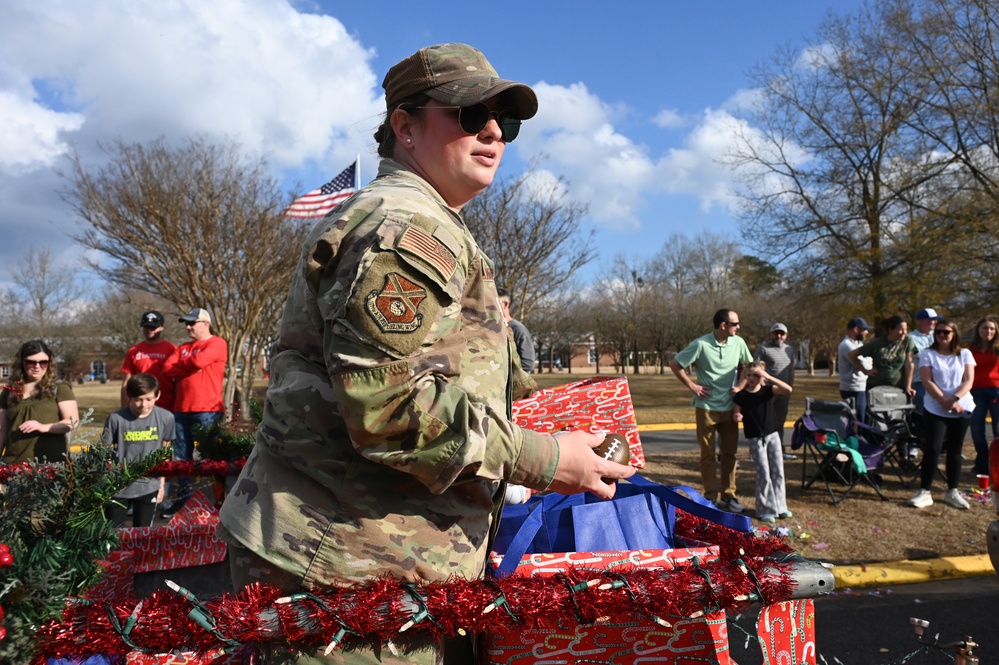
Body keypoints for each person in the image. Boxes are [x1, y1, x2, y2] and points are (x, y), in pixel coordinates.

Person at [216, 43, 634, 664]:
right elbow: (389, 408)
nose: (493, 131)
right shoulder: (407, 228)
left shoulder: (427, 222)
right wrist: (543, 459)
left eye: (505, 122)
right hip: (346, 566)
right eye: (468, 114)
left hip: (367, 558)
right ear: (404, 127)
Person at [669, 308, 753, 513]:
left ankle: (729, 495)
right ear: (723, 325)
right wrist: (693, 386)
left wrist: (741, 388)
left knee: (729, 454)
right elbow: (675, 363)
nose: (739, 327)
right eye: (735, 324)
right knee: (707, 455)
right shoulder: (701, 344)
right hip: (706, 407)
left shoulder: (739, 342)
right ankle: (711, 496)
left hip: (730, 408)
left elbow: (749, 366)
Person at [160, 307, 227, 517]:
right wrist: (191, 366)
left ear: (205, 323)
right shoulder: (183, 347)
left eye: (192, 323)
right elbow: (167, 368)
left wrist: (187, 365)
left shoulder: (217, 343)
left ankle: (220, 502)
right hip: (181, 410)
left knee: (212, 458)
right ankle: (183, 501)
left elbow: (197, 362)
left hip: (208, 409)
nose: (188, 327)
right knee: (181, 459)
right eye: (186, 324)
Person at [906, 319, 975, 509]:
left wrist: (954, 400)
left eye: (946, 332)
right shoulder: (928, 354)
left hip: (961, 406)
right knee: (933, 448)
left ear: (954, 334)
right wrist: (945, 401)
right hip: (935, 408)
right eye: (939, 332)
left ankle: (952, 491)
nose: (942, 336)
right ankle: (924, 492)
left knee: (955, 450)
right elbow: (927, 381)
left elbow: (968, 381)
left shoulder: (965, 354)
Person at [101, 373, 175, 527]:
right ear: (129, 397)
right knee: (112, 535)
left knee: (143, 536)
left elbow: (165, 453)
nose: (143, 405)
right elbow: (104, 452)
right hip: (118, 487)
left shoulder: (166, 418)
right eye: (138, 400)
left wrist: (161, 486)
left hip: (149, 486)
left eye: (149, 399)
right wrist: (107, 483)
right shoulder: (115, 419)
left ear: (158, 395)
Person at [0, 340, 80, 465]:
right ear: (21, 362)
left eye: (43, 362)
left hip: (50, 466)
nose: (37, 366)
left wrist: (43, 427)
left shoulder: (60, 388)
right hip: (13, 466)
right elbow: (2, 430)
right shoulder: (9, 391)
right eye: (31, 362)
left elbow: (72, 422)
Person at [733, 361, 793, 524]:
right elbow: (736, 413)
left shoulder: (768, 391)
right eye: (749, 375)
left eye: (756, 375)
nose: (752, 378)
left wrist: (768, 376)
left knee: (778, 471)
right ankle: (765, 509)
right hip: (755, 438)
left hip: (772, 436)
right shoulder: (742, 396)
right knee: (764, 473)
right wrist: (738, 417)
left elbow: (788, 389)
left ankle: (780, 507)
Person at [120, 310, 177, 411]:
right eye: (146, 327)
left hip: (168, 405)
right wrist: (124, 408)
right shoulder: (133, 351)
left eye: (153, 327)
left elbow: (178, 381)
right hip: (141, 407)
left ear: (162, 327)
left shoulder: (173, 350)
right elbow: (126, 383)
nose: (149, 330)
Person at [754, 322, 796, 460]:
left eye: (781, 333)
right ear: (771, 334)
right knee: (764, 420)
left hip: (783, 392)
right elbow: (756, 369)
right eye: (776, 333)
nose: (779, 335)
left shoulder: (789, 349)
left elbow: (791, 370)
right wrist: (762, 388)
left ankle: (779, 450)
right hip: (768, 391)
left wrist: (790, 385)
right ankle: (759, 451)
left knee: (780, 421)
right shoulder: (763, 349)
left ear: (786, 335)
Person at [848, 315, 917, 396]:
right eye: (900, 329)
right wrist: (865, 371)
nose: (904, 332)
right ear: (890, 330)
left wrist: (908, 386)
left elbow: (909, 363)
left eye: (905, 329)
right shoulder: (877, 343)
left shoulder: (907, 341)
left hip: (898, 387)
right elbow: (852, 354)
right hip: (877, 386)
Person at [967, 315, 999, 476]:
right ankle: (983, 464)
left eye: (992, 328)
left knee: (997, 431)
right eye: (985, 328)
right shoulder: (970, 349)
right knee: (977, 430)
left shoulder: (998, 348)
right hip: (975, 392)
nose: (988, 331)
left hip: (996, 392)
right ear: (978, 330)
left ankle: (996, 465)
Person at [838, 317, 872, 420]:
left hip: (861, 387)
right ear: (856, 330)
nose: (867, 332)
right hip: (852, 388)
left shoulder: (857, 344)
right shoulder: (846, 345)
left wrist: (868, 359)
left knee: (865, 418)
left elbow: (868, 360)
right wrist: (869, 359)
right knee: (859, 420)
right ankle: (855, 436)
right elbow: (865, 365)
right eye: (864, 330)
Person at [908, 308, 939, 414]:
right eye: (931, 320)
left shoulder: (937, 335)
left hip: (938, 381)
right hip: (919, 382)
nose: (935, 322)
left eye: (935, 320)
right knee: (923, 414)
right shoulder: (911, 338)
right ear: (921, 321)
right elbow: (924, 357)